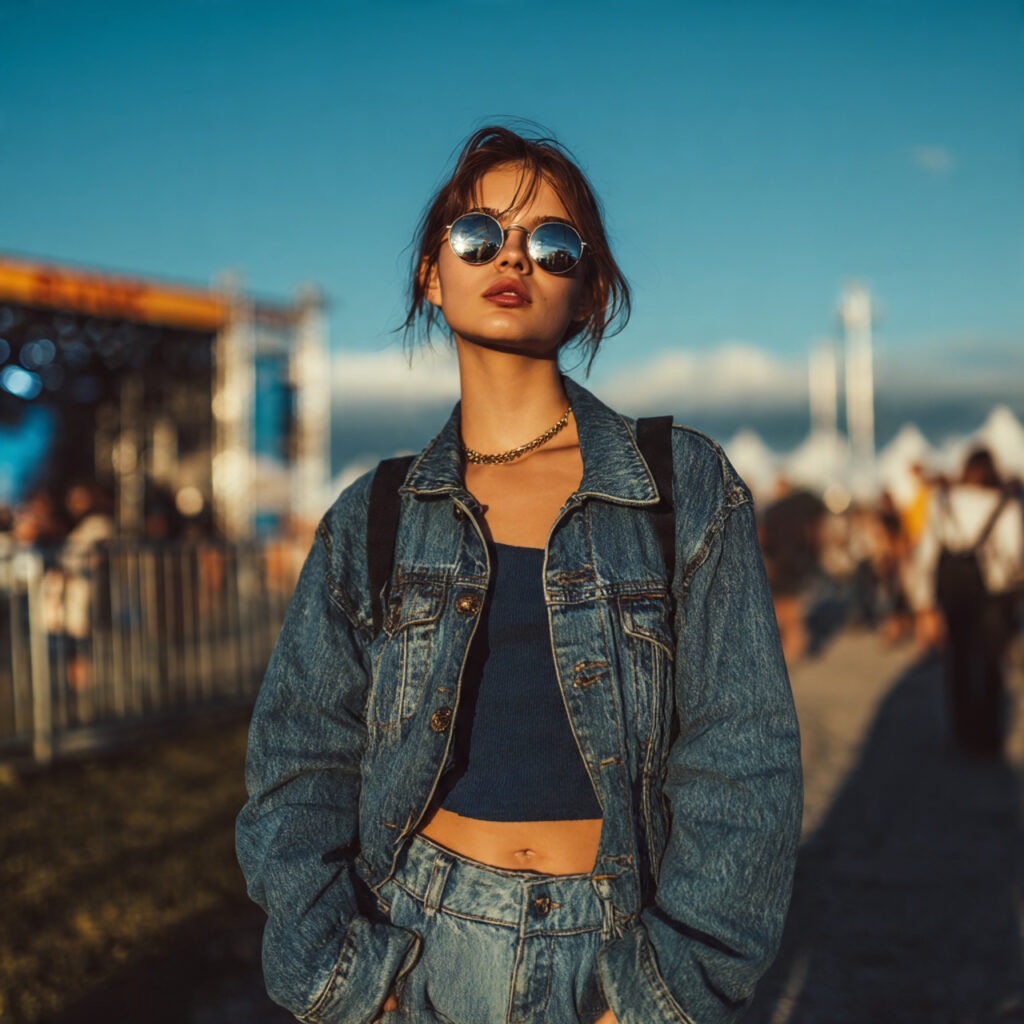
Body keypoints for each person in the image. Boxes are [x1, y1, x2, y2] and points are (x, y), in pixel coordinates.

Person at [236, 125, 802, 1024]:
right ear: (432, 270)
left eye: (552, 243)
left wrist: (671, 989)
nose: (512, 256)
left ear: (589, 291)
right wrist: (343, 978)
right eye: (477, 235)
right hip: (415, 947)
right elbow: (300, 759)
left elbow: (742, 758)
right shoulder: (374, 515)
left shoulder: (681, 486)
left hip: (615, 958)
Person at [907, 447, 1023, 754]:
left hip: (953, 591)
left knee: (957, 661)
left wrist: (923, 603)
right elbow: (1015, 556)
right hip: (993, 595)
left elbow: (925, 555)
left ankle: (962, 733)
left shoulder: (942, 500)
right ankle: (987, 737)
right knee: (990, 663)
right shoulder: (1006, 505)